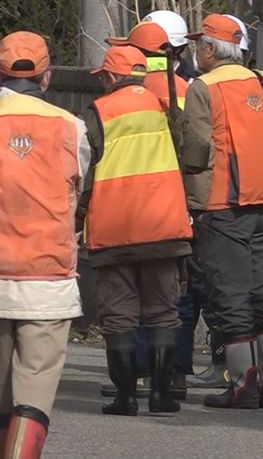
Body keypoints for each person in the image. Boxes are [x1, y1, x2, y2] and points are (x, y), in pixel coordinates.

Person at [0, 31, 89, 458]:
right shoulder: (71, 128)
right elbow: (76, 193)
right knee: (35, 393)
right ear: (46, 78)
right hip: (48, 277)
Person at [79, 45, 193, 416]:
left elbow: (85, 170)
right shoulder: (167, 105)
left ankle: (126, 397)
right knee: (163, 313)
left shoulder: (100, 111)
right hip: (164, 225)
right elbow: (196, 152)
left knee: (118, 315)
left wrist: (77, 218)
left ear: (111, 77)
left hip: (115, 228)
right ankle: (161, 394)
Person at [181, 14, 263, 410]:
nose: (197, 51)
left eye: (200, 44)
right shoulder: (258, 80)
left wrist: (193, 203)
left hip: (224, 202)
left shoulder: (203, 87)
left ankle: (243, 383)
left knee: (230, 295)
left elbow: (196, 149)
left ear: (210, 48)